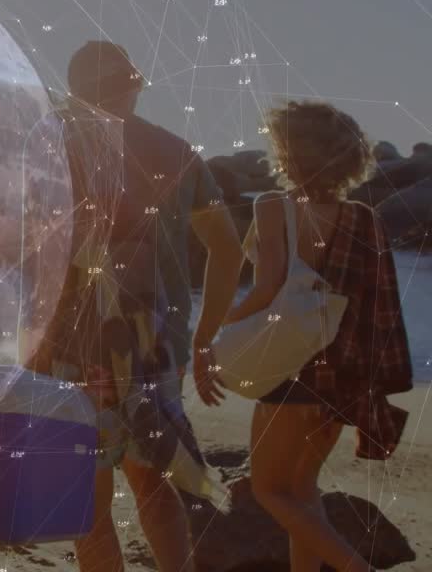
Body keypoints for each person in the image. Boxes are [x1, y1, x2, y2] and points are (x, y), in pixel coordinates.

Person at [33, 41, 244, 572]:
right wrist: (204, 336)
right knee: (153, 480)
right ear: (137, 83)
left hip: (74, 341)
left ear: (74, 91)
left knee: (87, 493)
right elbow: (228, 250)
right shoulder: (175, 151)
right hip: (156, 343)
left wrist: (30, 339)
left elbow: (31, 251)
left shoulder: (52, 145)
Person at [225, 101, 412, 572]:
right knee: (302, 490)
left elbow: (267, 288)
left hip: (291, 370)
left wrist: (217, 333)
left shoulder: (273, 206)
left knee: (269, 491)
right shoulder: (363, 218)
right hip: (342, 375)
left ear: (290, 153)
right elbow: (375, 305)